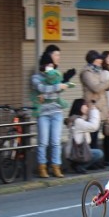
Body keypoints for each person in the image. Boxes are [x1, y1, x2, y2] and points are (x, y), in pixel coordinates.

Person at [31, 45, 73, 178]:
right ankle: (42, 167)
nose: (51, 66)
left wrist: (65, 81)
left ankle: (56, 166)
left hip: (56, 112)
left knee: (56, 141)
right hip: (43, 113)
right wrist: (57, 86)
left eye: (52, 65)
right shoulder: (36, 77)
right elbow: (42, 88)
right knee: (43, 141)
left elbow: (58, 90)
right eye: (48, 64)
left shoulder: (57, 75)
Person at [80, 50, 109, 160]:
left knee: (107, 133)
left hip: (102, 106)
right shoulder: (86, 72)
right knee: (93, 135)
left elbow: (106, 87)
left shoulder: (99, 70)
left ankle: (106, 159)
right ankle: (92, 160)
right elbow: (96, 88)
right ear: (94, 60)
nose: (101, 62)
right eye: (99, 60)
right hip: (93, 106)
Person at [65, 98, 104, 174]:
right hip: (76, 152)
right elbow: (94, 126)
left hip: (72, 151)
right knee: (99, 153)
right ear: (79, 107)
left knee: (92, 151)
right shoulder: (78, 121)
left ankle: (76, 164)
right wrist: (94, 111)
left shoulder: (74, 119)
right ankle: (80, 166)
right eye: (85, 105)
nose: (87, 107)